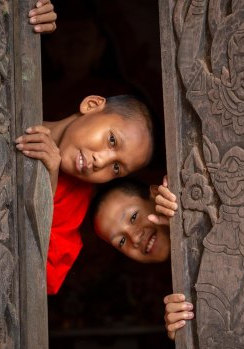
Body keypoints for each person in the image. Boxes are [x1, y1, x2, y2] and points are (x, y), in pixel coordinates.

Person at [15, 95, 154, 294]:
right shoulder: (17, 105)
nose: (101, 161)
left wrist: (47, 185)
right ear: (91, 105)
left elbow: (43, 282)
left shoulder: (76, 199)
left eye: (116, 168)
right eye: (112, 140)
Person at [89, 176, 191, 340]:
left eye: (134, 217)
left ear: (156, 194)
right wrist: (185, 333)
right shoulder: (171, 293)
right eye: (121, 241)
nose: (135, 239)